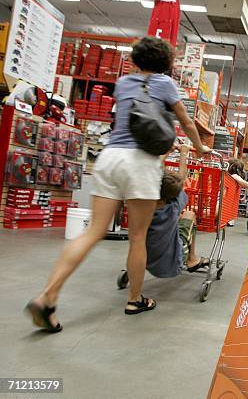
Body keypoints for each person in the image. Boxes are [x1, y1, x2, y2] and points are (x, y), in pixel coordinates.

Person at [26, 37, 211, 332]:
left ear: (135, 61)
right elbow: (186, 123)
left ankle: (48, 296)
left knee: (93, 232)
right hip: (140, 163)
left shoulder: (124, 83)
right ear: (167, 63)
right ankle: (135, 299)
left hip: (110, 157)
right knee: (138, 237)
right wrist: (199, 147)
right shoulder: (165, 84)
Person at [145, 144, 207, 280]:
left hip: (144, 260)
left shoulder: (143, 204)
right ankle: (192, 259)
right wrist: (184, 153)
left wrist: (166, 152)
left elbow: (155, 171)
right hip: (172, 265)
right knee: (190, 215)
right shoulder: (173, 206)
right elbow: (182, 178)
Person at [226, 158, 248, 227]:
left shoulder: (234, 176)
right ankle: (230, 220)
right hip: (229, 203)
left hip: (224, 202)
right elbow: (247, 185)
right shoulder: (231, 177)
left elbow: (246, 185)